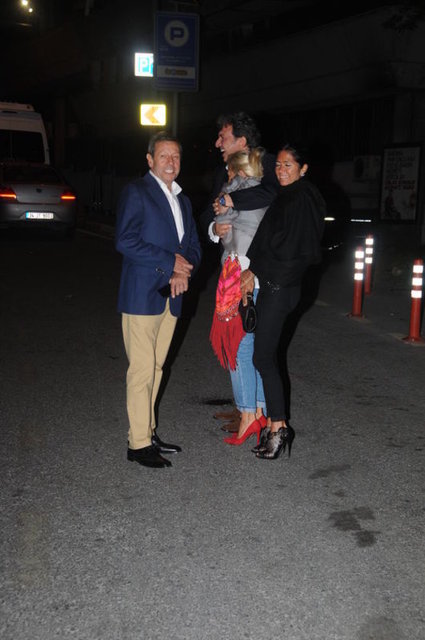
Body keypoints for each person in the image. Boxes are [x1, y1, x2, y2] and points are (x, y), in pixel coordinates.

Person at [115, 131, 201, 469]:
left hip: (172, 294)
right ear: (150, 160)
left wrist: (182, 271)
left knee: (156, 368)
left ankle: (147, 432)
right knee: (141, 370)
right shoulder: (137, 192)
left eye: (176, 156)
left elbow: (192, 245)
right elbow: (124, 240)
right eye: (163, 155)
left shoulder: (183, 200)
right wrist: (170, 263)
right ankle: (138, 444)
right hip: (141, 295)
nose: (170, 162)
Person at [241, 143, 326, 460]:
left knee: (263, 357)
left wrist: (261, 273)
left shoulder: (301, 198)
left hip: (280, 287)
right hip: (277, 285)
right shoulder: (290, 195)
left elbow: (294, 251)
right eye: (278, 165)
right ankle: (275, 425)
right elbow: (269, 239)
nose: (281, 170)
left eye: (288, 165)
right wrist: (253, 271)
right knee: (265, 355)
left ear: (303, 169)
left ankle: (278, 427)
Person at [200, 111, 279, 432]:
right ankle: (248, 408)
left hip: (250, 272)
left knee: (242, 344)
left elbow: (269, 197)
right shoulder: (227, 176)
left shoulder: (267, 166)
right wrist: (214, 227)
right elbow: (211, 215)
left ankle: (251, 411)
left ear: (242, 142)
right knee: (244, 343)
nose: (218, 143)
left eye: (224, 137)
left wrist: (230, 200)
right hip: (235, 270)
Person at [209, 148, 268, 445]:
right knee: (252, 349)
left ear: (241, 172)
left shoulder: (243, 195)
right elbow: (222, 226)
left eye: (230, 171)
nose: (227, 176)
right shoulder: (256, 195)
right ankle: (258, 411)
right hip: (249, 276)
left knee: (239, 349)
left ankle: (248, 415)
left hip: (241, 278)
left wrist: (221, 203)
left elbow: (223, 221)